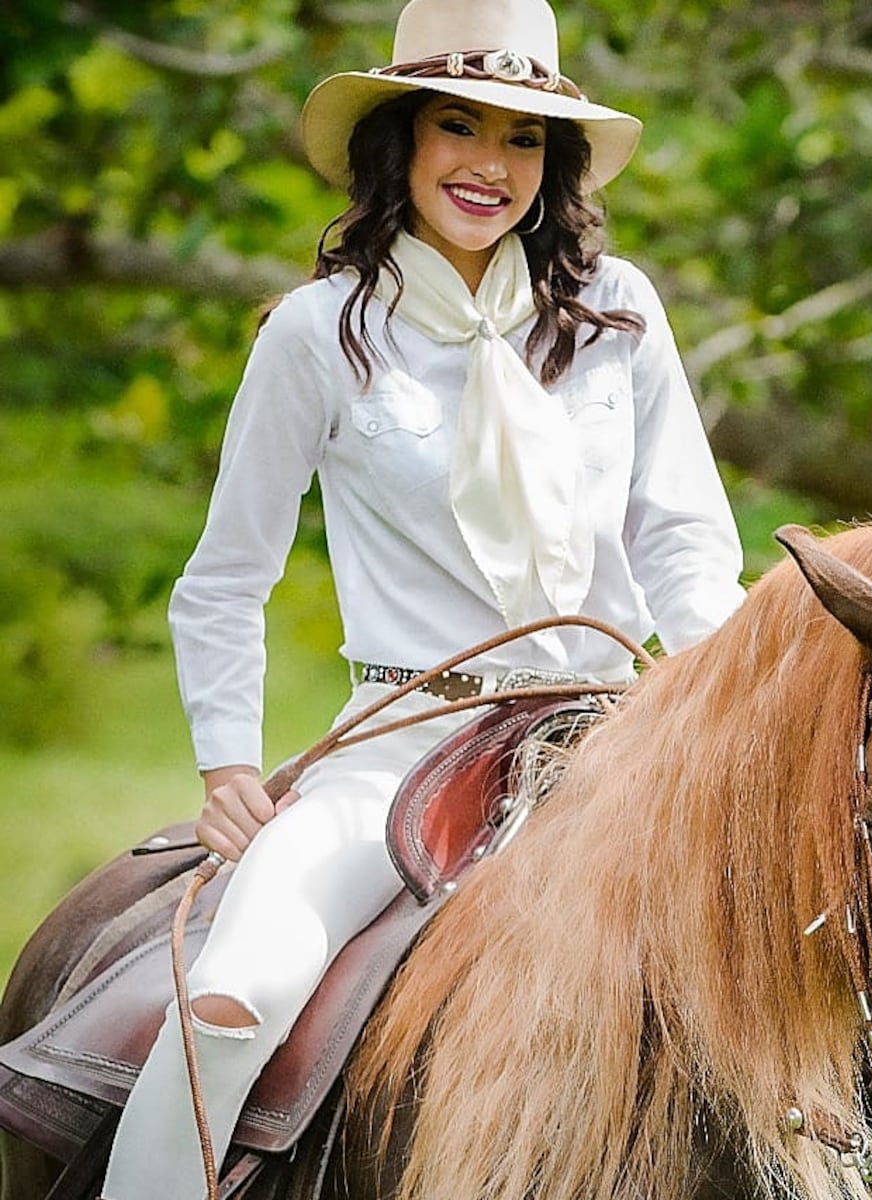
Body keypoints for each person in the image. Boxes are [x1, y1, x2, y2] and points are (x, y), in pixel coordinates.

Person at [100, 0, 744, 1195]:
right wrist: (226, 761)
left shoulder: (621, 316)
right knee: (230, 1000)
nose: (490, 166)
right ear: (402, 142)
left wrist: (735, 723)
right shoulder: (317, 335)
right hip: (408, 741)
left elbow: (686, 549)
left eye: (524, 138)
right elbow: (224, 578)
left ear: (554, 167)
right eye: (460, 126)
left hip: (614, 733)